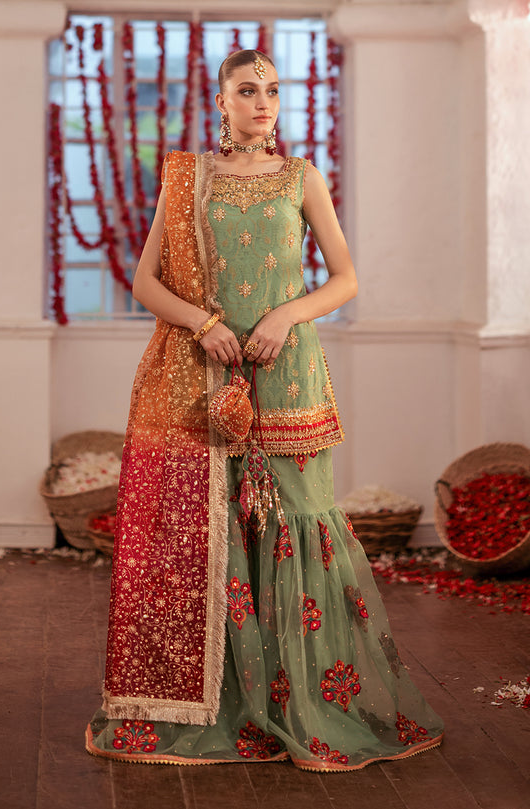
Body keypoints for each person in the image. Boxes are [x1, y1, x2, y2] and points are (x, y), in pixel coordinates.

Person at [85, 49, 444, 771]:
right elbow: (146, 281)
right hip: (205, 377)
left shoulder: (301, 176)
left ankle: (305, 702)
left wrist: (285, 315)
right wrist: (202, 323)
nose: (263, 103)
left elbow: (344, 278)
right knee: (215, 534)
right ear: (221, 100)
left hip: (287, 375)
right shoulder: (187, 179)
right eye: (248, 90)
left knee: (296, 521)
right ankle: (227, 704)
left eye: (273, 91)